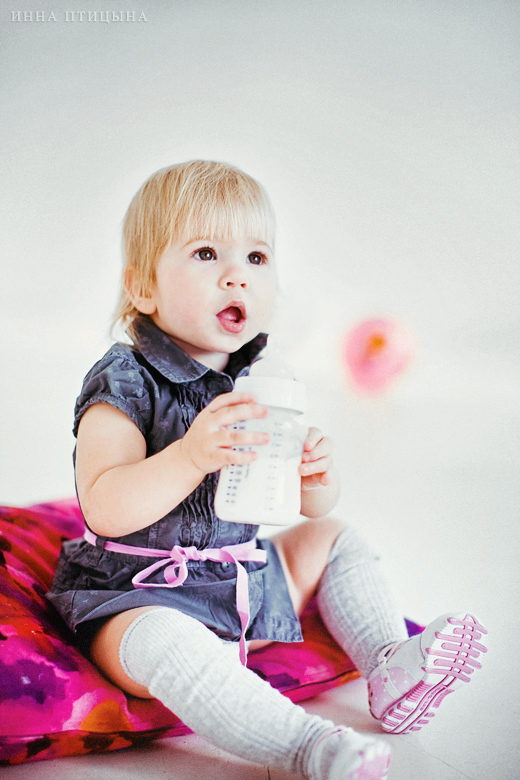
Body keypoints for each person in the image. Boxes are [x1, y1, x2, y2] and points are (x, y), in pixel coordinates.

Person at [47, 160, 487, 780]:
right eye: (206, 253)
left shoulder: (261, 376)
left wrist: (315, 477)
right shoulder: (124, 379)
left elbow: (297, 505)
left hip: (242, 583)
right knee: (167, 641)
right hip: (139, 593)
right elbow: (104, 504)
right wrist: (189, 456)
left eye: (256, 257)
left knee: (332, 536)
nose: (237, 275)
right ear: (143, 288)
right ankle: (306, 747)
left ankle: (389, 668)